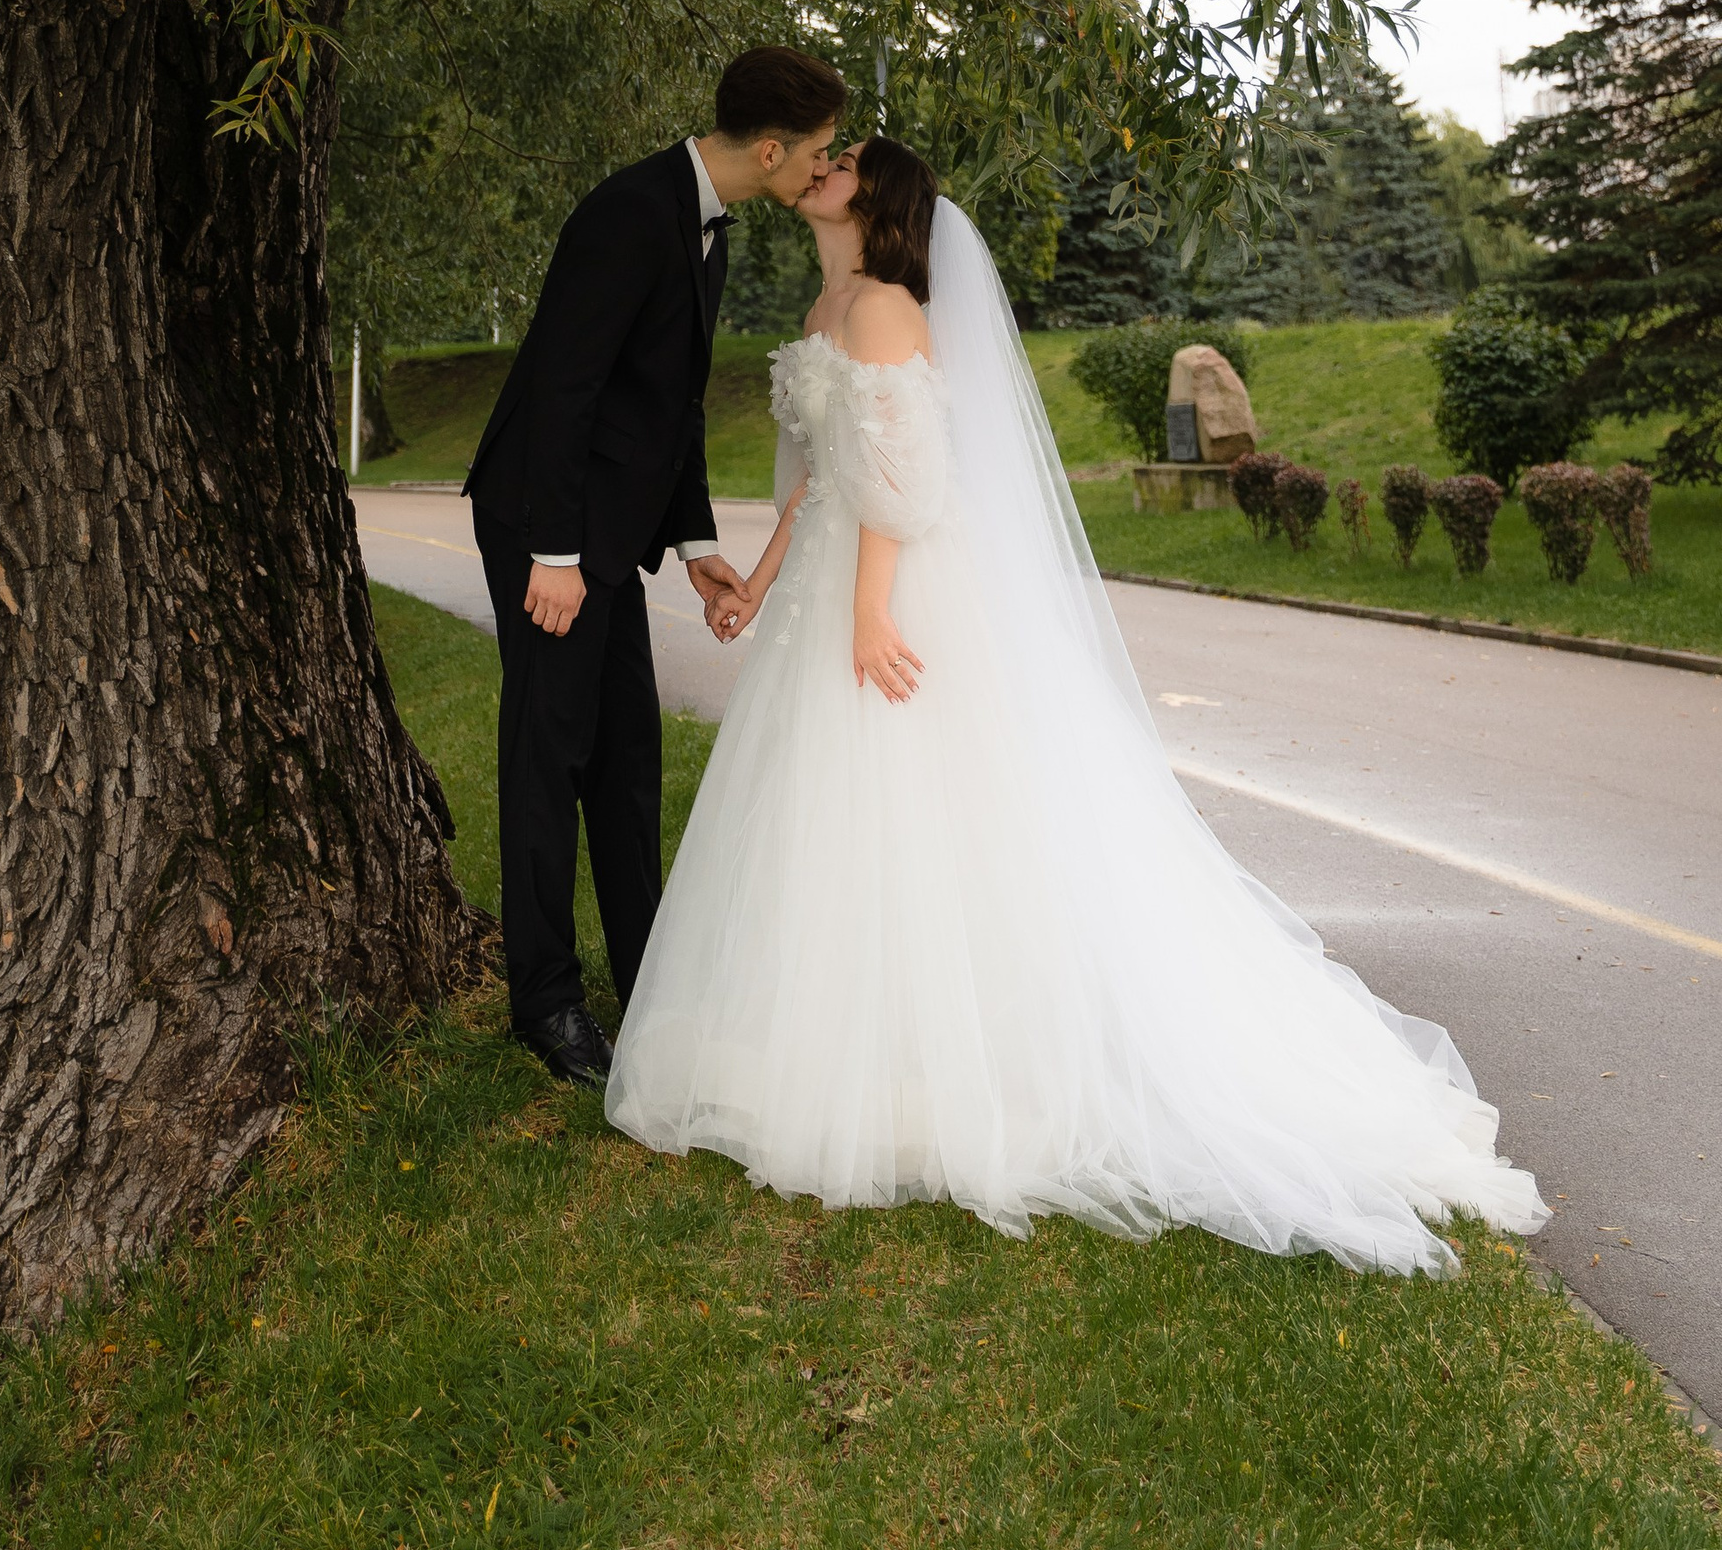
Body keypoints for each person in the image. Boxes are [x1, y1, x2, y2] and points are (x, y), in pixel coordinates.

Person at [605, 139, 1548, 1273]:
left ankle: (946, 1065)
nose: (818, 164)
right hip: (829, 591)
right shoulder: (826, 299)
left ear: (880, 194)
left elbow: (902, 481)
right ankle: (838, 1046)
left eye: (842, 158)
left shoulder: (888, 306)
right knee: (824, 822)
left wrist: (867, 609)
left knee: (915, 808)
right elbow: (817, 471)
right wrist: (757, 581)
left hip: (895, 594)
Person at [464, 45, 846, 1087]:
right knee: (551, 755)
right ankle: (544, 1001)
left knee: (627, 760)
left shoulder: (706, 230)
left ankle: (652, 983)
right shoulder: (627, 211)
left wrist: (694, 542)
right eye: (815, 152)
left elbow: (664, 404)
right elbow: (564, 388)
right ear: (768, 148)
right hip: (547, 525)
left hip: (602, 533)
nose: (822, 169)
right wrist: (552, 552)